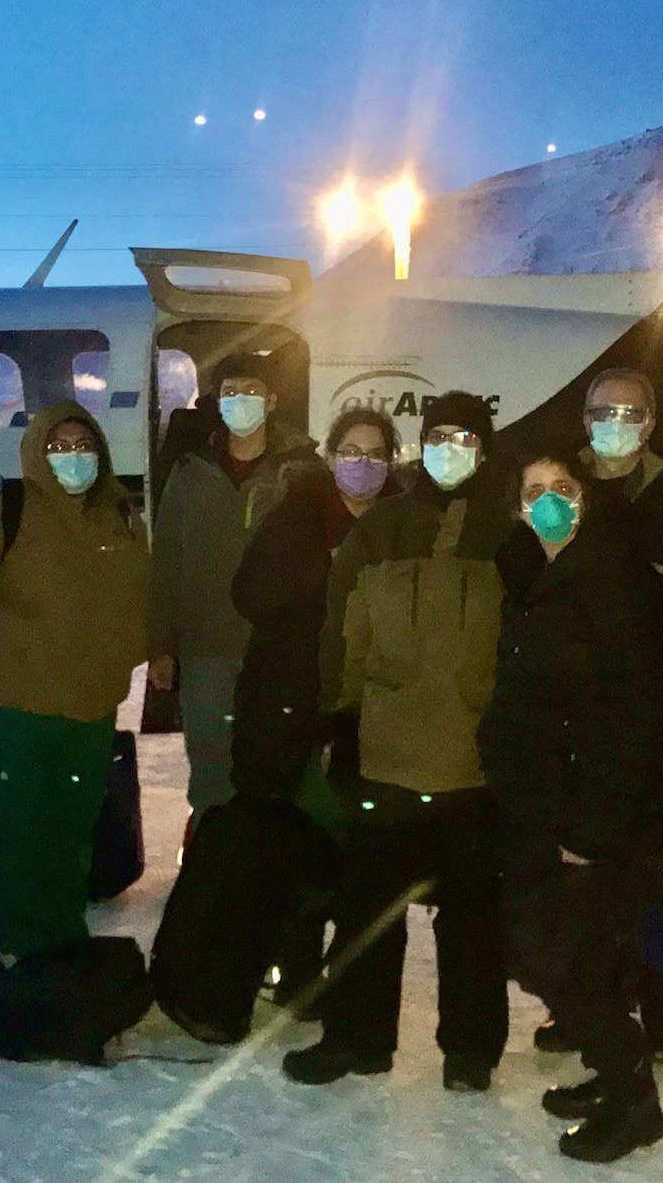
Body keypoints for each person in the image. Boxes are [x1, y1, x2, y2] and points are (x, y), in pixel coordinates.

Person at [284, 391, 511, 1092]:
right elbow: (340, 631)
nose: (451, 448)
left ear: (484, 448)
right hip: (384, 754)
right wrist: (338, 721)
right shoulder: (382, 527)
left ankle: (470, 1051)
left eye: (465, 437)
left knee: (473, 918)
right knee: (369, 913)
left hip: (474, 761)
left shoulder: (510, 531)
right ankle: (357, 1037)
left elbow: (532, 647)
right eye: (438, 435)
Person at [481, 448, 663, 1164]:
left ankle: (635, 1101)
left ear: (585, 499)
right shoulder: (529, 573)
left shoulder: (611, 579)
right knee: (571, 955)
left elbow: (630, 714)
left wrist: (589, 825)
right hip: (542, 802)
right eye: (534, 490)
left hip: (587, 811)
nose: (550, 501)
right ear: (517, 505)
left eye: (563, 488)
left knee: (560, 958)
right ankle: (610, 1074)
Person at [539, 366, 663, 1066]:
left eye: (630, 412)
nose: (617, 423)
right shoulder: (555, 492)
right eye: (604, 411)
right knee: (577, 862)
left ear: (653, 421)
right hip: (577, 715)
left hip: (660, 718)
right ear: (584, 418)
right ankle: (585, 1000)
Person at [0, 400, 148, 959]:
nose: (73, 458)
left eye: (84, 447)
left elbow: (141, 596)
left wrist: (133, 652)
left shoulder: (120, 514)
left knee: (72, 835)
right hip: (18, 702)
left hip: (91, 705)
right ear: (37, 451)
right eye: (59, 447)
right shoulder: (5, 508)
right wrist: (20, 627)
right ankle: (23, 953)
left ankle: (62, 944)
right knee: (23, 832)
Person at [227, 407, 404, 1002]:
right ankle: (294, 971)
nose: (362, 465)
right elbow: (247, 595)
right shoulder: (294, 519)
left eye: (376, 454)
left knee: (361, 855)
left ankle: (350, 979)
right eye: (350, 452)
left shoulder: (406, 526)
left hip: (374, 713)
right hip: (293, 706)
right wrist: (322, 581)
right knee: (298, 842)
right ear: (329, 459)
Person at [148, 352, 319, 819]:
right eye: (229, 392)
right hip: (206, 649)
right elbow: (165, 561)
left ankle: (266, 878)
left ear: (273, 400)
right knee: (211, 776)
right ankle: (211, 871)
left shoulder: (302, 471)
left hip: (278, 653)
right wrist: (161, 645)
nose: (240, 401)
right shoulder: (189, 472)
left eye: (251, 391)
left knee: (277, 771)